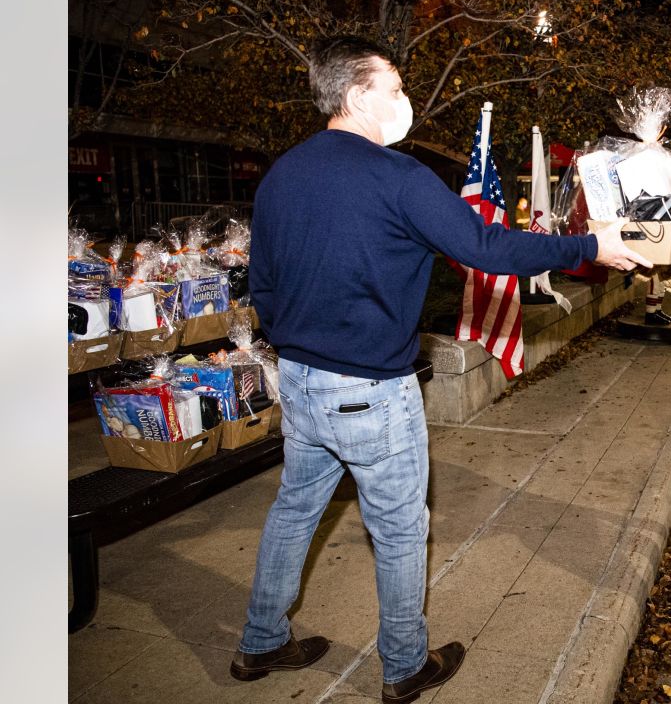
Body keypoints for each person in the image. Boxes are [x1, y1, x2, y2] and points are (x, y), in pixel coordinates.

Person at [231, 35, 649, 704]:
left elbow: (265, 283)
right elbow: (484, 244)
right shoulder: (396, 175)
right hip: (370, 389)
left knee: (294, 510)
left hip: (302, 382)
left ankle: (260, 641)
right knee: (399, 529)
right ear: (358, 94)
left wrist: (295, 344)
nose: (406, 101)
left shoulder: (282, 173)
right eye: (394, 88)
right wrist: (590, 244)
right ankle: (404, 665)